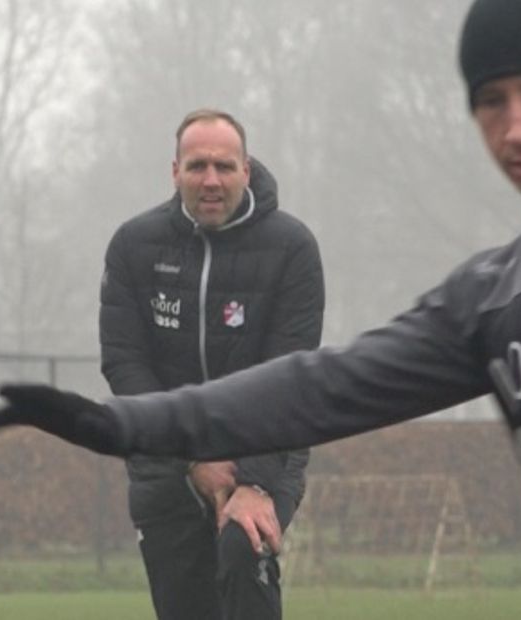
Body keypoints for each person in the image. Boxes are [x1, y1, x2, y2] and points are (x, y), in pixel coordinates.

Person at [0, 0, 521, 617]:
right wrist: (123, 424)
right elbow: (318, 387)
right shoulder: (487, 297)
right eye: (492, 100)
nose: (517, 126)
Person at [98, 108, 325, 620]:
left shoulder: (292, 248)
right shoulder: (133, 246)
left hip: (265, 457)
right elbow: (124, 364)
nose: (211, 180)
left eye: (224, 166)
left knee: (243, 551)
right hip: (165, 464)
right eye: (197, 166)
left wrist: (254, 482)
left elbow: (289, 379)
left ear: (247, 170)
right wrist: (192, 459)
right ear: (174, 171)